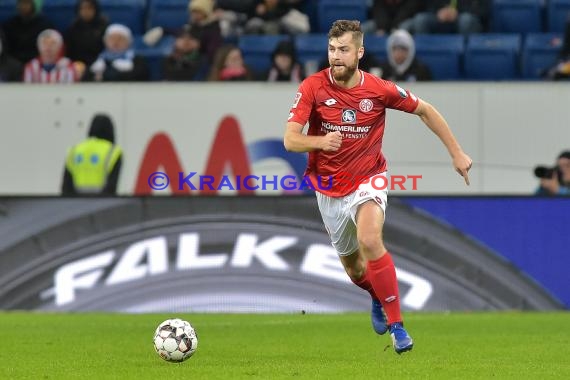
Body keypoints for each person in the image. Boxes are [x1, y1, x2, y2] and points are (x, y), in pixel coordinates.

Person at [283, 20, 472, 354]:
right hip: (328, 189)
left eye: (343, 50)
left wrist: (456, 153)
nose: (336, 56)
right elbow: (290, 140)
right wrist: (320, 141)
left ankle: (398, 328)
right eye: (331, 49)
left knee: (370, 239)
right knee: (355, 269)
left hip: (368, 178)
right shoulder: (312, 87)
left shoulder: (379, 89)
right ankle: (375, 295)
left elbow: (425, 110)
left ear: (360, 52)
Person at [61, 113, 123, 195]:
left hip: (75, 204)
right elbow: (111, 187)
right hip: (101, 204)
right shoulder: (113, 151)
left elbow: (66, 186)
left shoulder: (74, 150)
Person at [83, 23, 149, 82]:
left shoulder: (137, 59)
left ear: (128, 42)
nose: (116, 42)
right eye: (112, 38)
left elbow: (140, 76)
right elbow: (85, 78)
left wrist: (105, 75)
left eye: (120, 39)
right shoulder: (98, 59)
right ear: (105, 41)